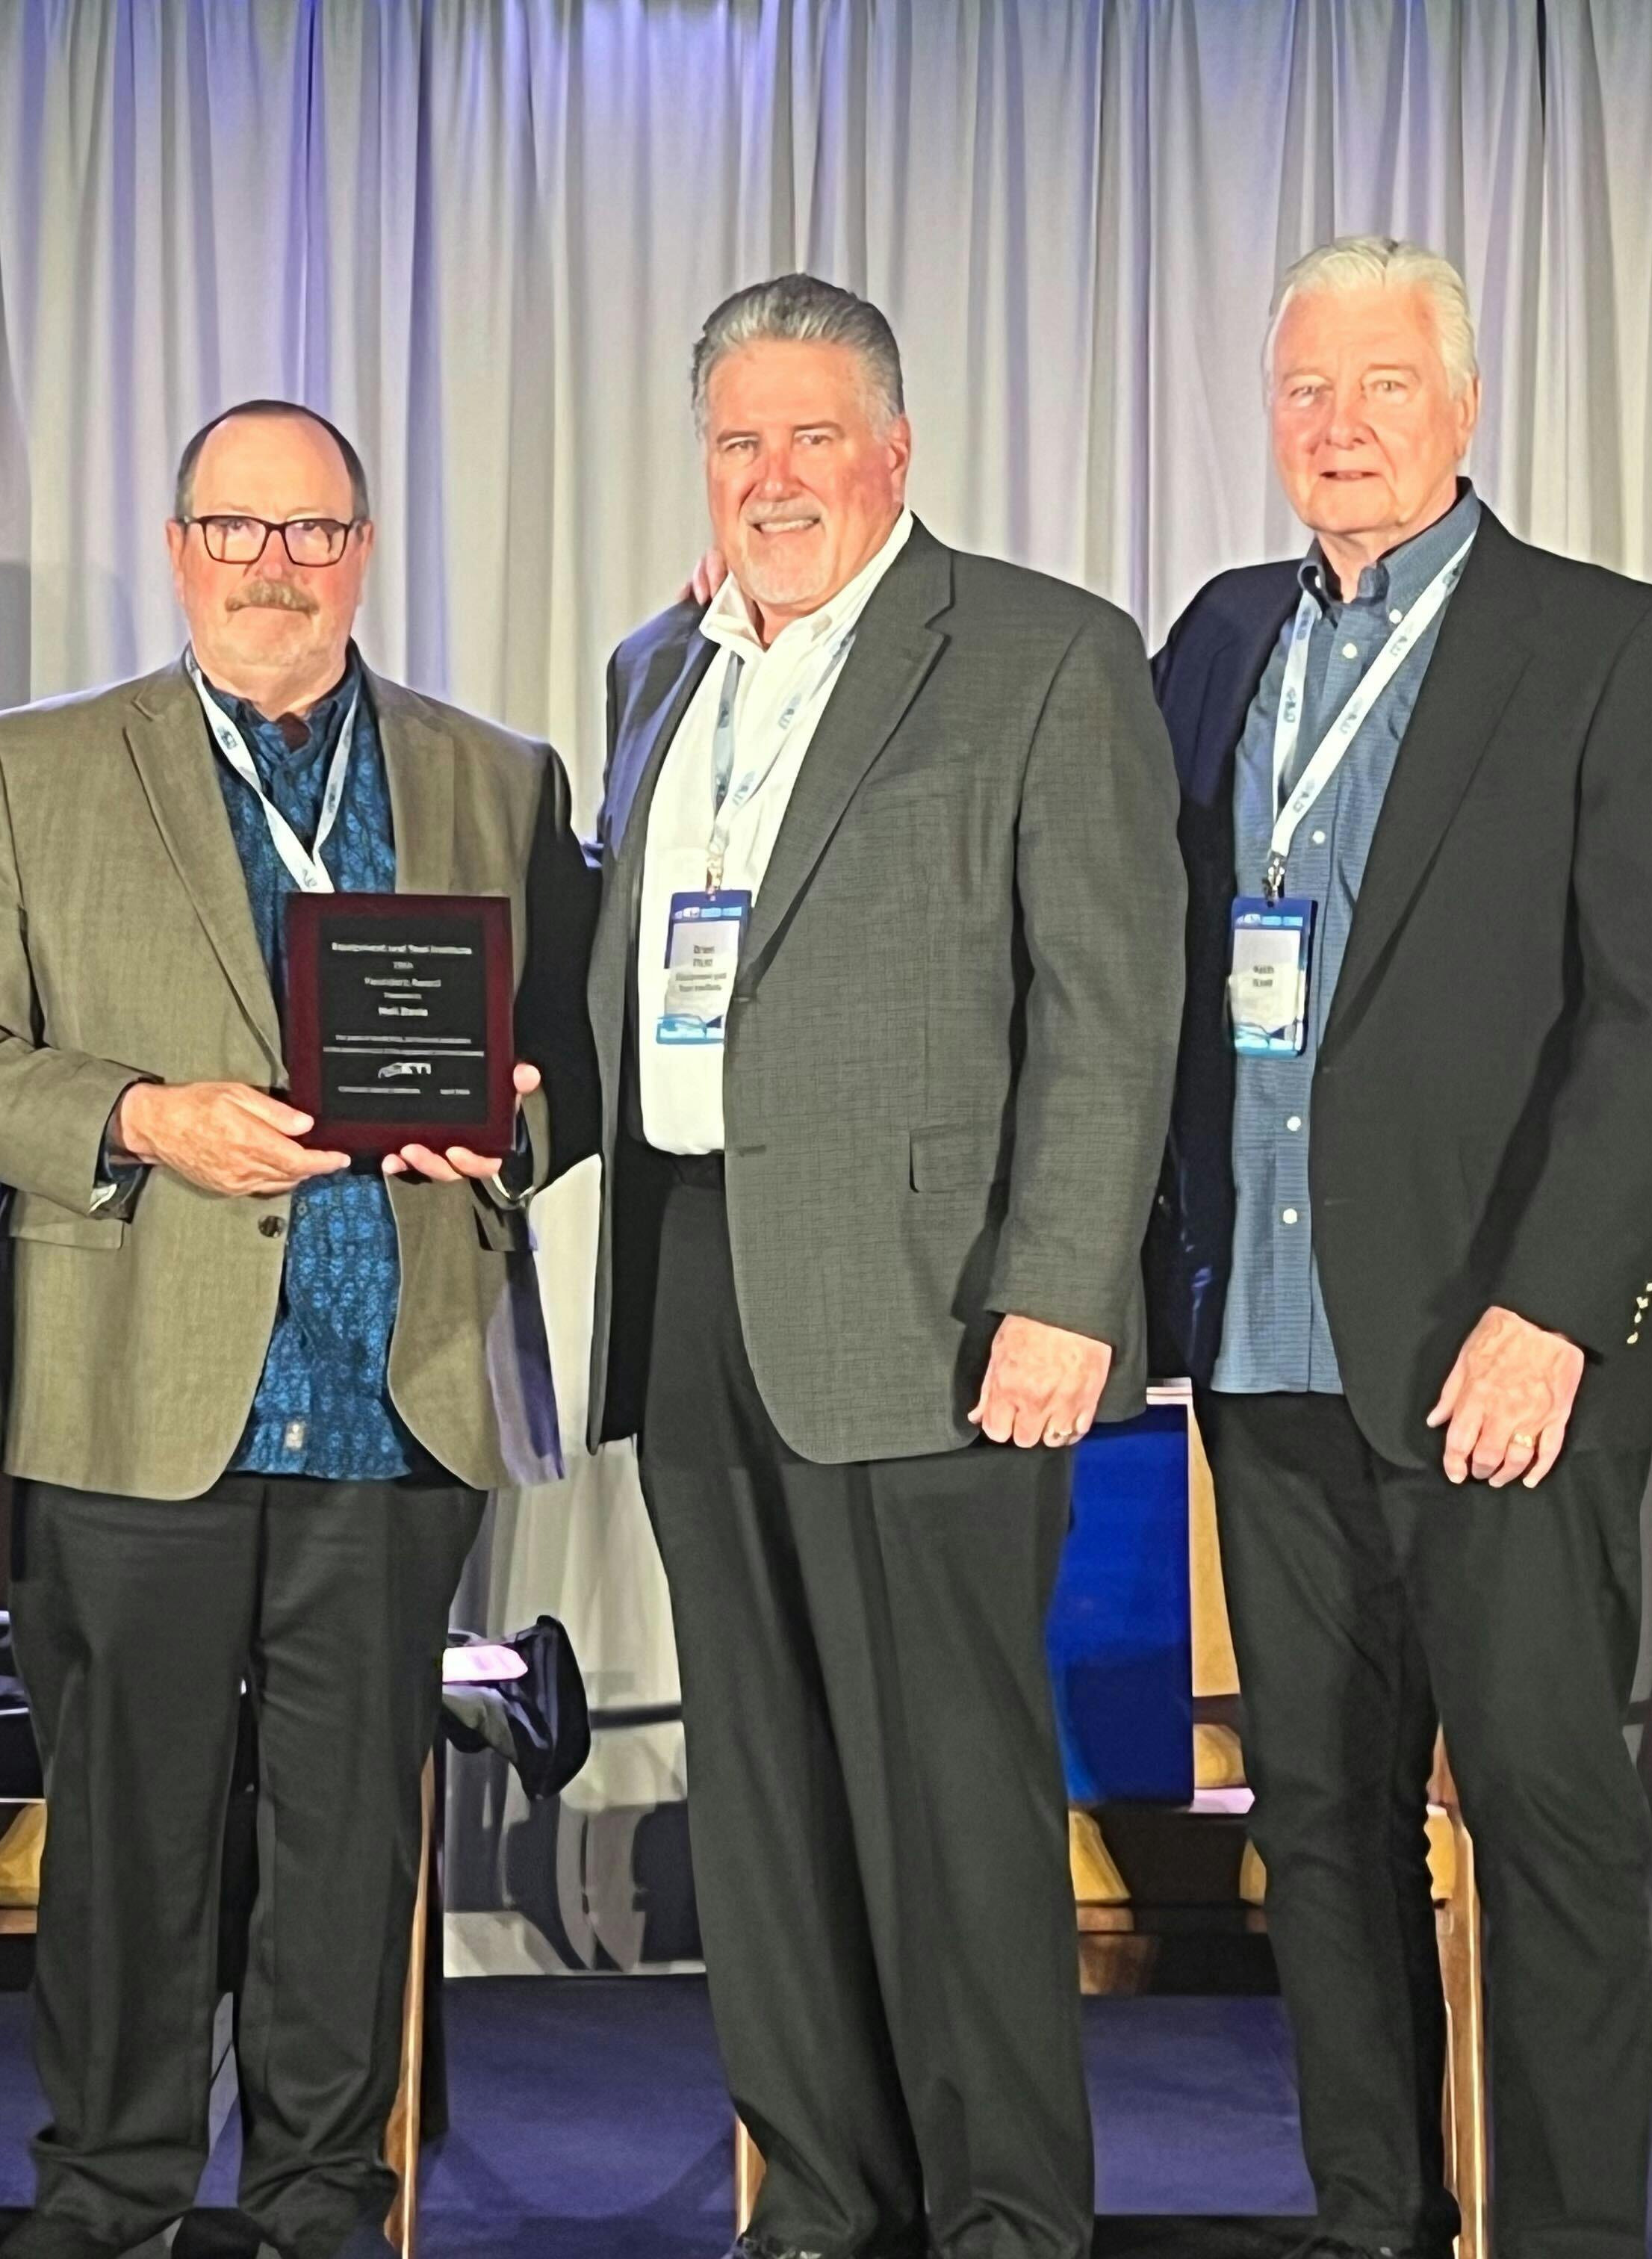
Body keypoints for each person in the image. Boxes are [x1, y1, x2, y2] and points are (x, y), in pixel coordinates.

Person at [0, 398, 597, 2259]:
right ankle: (111, 2200)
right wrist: (140, 1119)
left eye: (311, 533)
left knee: (348, 1854)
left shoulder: (494, 776)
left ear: (362, 550)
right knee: (127, 1849)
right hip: (129, 1399)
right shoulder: (35, 768)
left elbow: (573, 1069)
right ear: (180, 546)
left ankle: (317, 2208)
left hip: (397, 1400)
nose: (275, 567)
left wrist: (506, 1116)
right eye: (237, 531)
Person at [583, 275, 1183, 2259]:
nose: (774, 477)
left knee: (950, 1813)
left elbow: (1112, 1009)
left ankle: (1006, 2223)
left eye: (813, 435)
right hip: (694, 1294)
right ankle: (823, 2209)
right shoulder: (655, 672)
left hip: (942, 1323)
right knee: (766, 1806)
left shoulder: (1039, 654)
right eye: (739, 441)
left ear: (897, 452)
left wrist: (1066, 1290)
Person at [1146, 237, 1652, 2258]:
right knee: (1318, 1833)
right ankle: (1374, 2221)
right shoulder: (1216, 640)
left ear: (1465, 408)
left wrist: (1555, 1307)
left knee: (1554, 1834)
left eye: (1382, 387)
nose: (1339, 428)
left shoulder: (1608, 644)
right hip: (1272, 1350)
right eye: (1306, 390)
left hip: (1494, 1359)